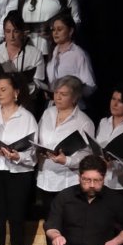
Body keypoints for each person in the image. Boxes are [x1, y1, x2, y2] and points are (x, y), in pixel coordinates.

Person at [0, 74, 39, 245]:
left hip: (18, 173)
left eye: (3, 89)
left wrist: (17, 156)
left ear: (16, 92)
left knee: (16, 219)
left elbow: (33, 153)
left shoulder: (27, 117)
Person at [34, 76, 95, 204]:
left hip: (67, 182)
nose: (58, 97)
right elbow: (37, 138)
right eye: (56, 92)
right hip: (45, 178)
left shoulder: (84, 122)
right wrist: (38, 150)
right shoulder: (48, 113)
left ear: (75, 98)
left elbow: (87, 156)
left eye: (63, 94)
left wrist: (66, 160)